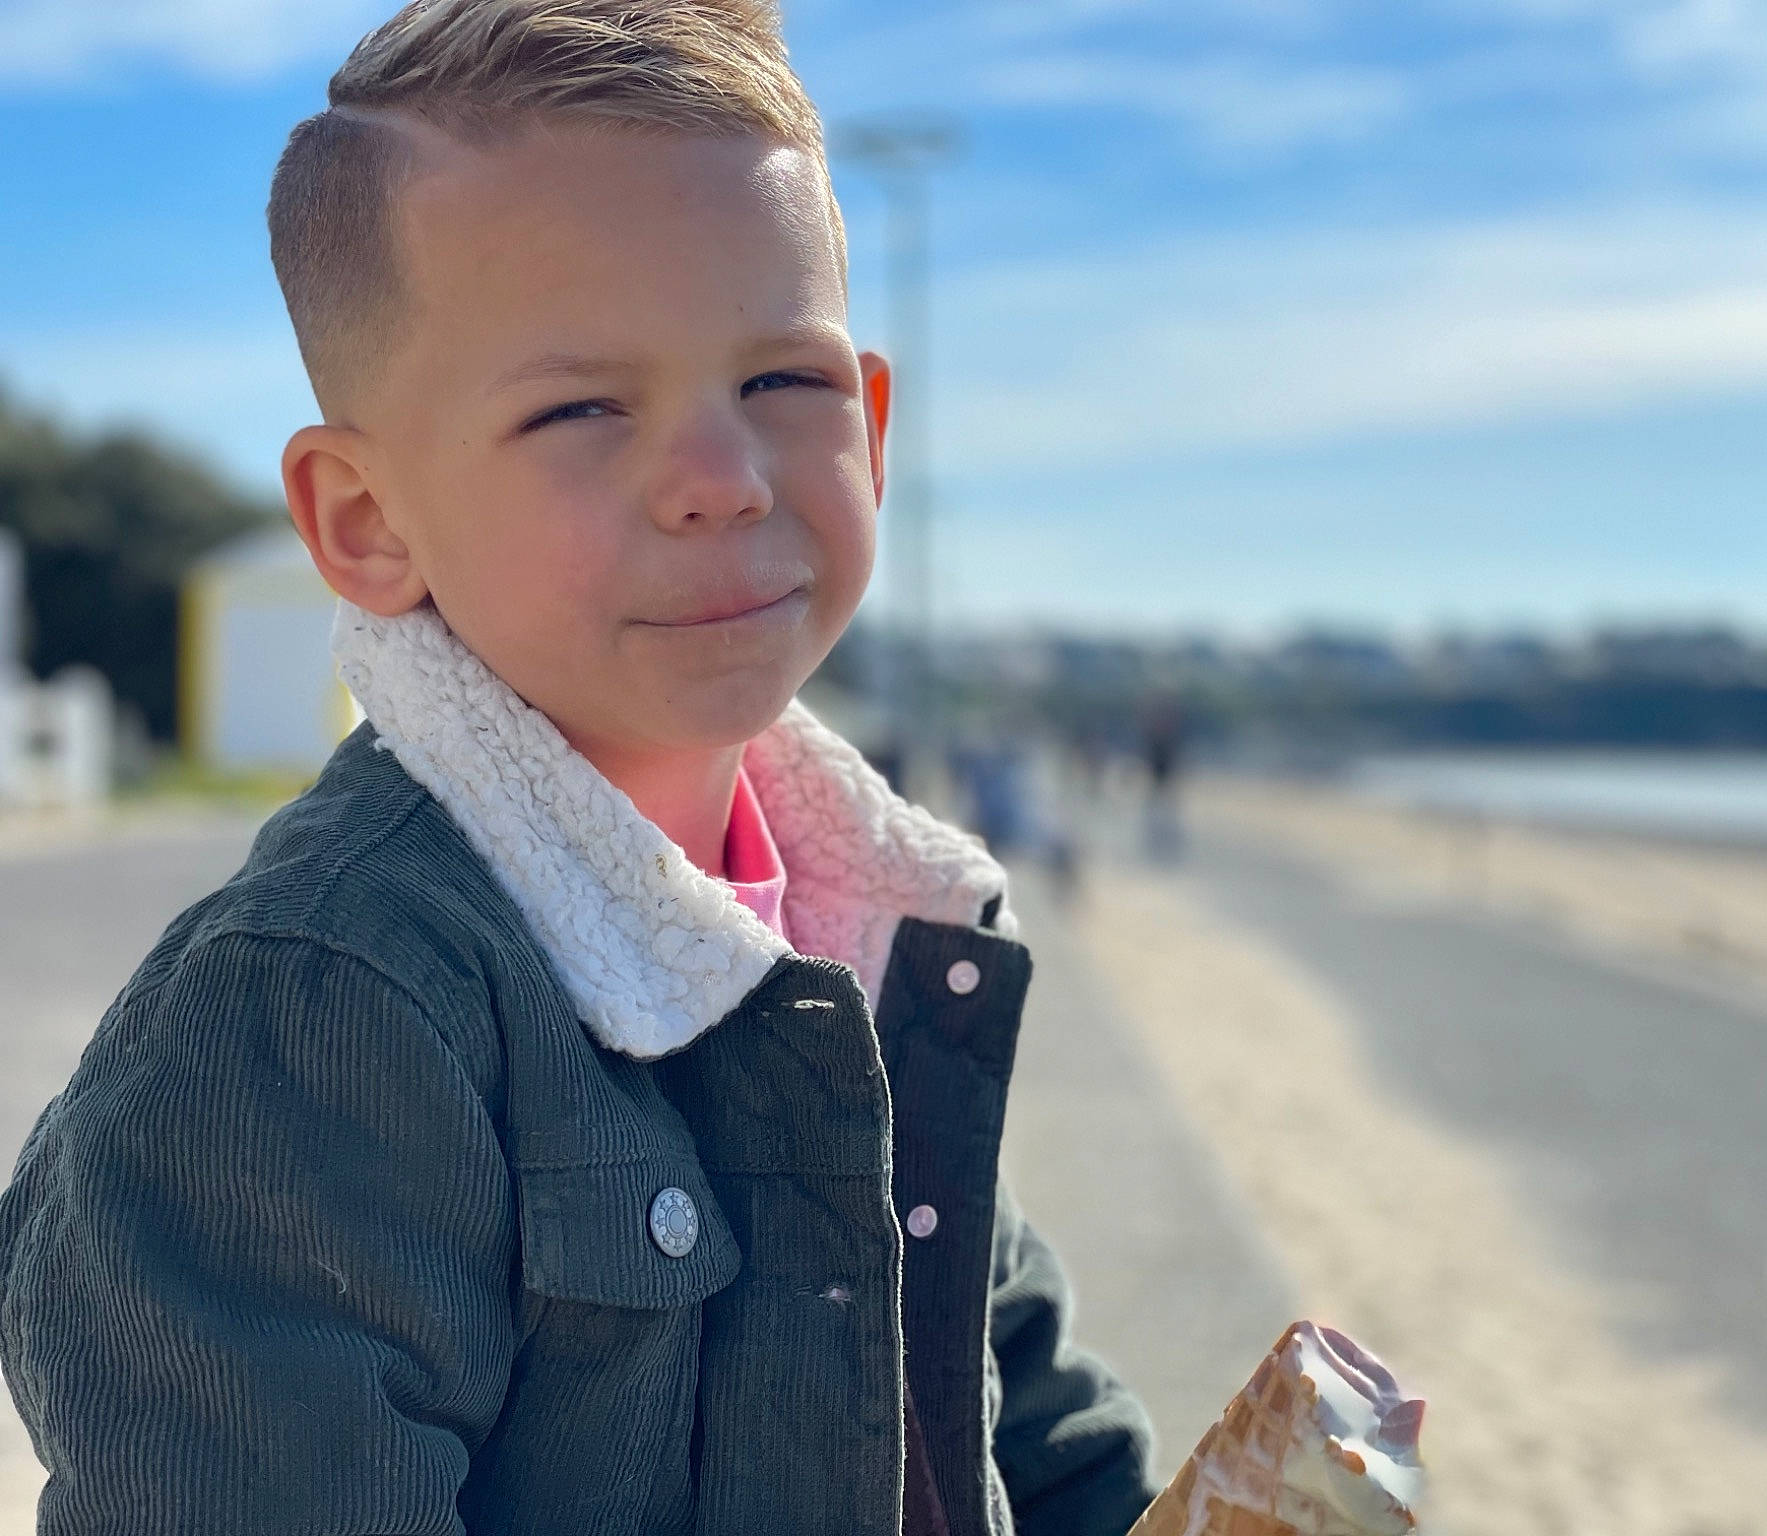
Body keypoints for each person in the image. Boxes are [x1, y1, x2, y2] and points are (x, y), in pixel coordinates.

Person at [0, 3, 1157, 1532]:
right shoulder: (313, 1021)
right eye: (581, 408)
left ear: (872, 431)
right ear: (365, 520)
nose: (720, 482)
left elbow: (1014, 1414)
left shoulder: (874, 930)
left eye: (782, 384)